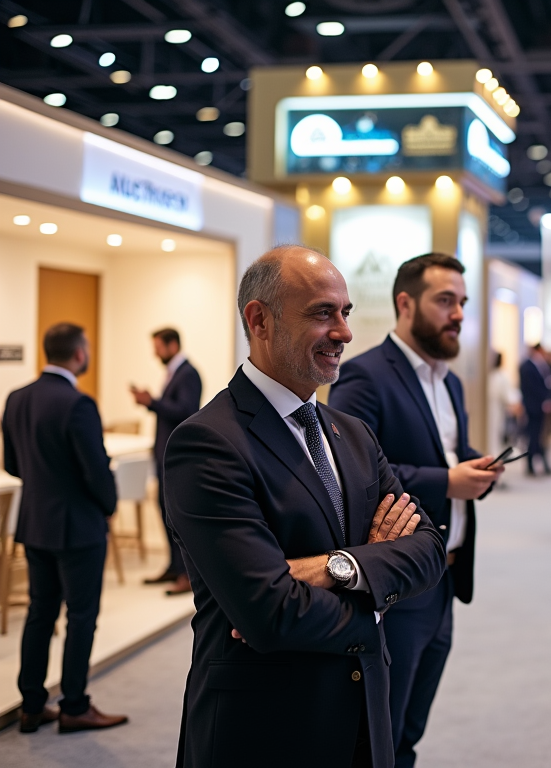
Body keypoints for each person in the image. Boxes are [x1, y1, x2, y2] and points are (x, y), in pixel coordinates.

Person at [164, 247, 446, 768]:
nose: (344, 332)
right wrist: (378, 593)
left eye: (345, 313)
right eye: (322, 313)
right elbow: (270, 615)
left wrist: (340, 567)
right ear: (259, 320)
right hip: (267, 732)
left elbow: (428, 548)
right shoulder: (207, 443)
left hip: (365, 719)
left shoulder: (353, 435)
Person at [329, 252, 501, 768]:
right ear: (405, 303)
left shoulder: (447, 380)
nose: (459, 314)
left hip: (445, 577)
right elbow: (355, 476)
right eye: (445, 301)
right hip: (399, 585)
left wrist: (475, 468)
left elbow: (447, 452)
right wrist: (448, 480)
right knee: (380, 733)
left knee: (410, 733)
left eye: (462, 302)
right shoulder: (365, 376)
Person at [2, 323, 128, 733]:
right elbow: (95, 471)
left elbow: (12, 464)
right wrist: (109, 505)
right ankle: (74, 705)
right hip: (78, 529)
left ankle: (32, 705)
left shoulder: (16, 398)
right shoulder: (78, 404)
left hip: (34, 523)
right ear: (78, 354)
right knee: (80, 615)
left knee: (40, 614)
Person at [130, 327, 202, 596]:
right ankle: (174, 566)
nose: (154, 353)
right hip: (163, 454)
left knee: (177, 516)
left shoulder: (188, 373)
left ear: (172, 346)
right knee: (164, 512)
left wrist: (152, 403)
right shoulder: (175, 372)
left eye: (158, 347)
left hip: (177, 456)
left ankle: (186, 573)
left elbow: (186, 411)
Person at [519, 344, 551, 475]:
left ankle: (543, 463)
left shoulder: (541, 365)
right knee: (533, 436)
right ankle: (530, 464)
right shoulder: (526, 366)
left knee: (541, 437)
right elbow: (530, 388)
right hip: (532, 407)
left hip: (541, 407)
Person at [487, 351, 521, 463]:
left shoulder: (491, 375)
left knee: (493, 436)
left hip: (494, 409)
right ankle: (494, 461)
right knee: (494, 437)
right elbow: (507, 395)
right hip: (495, 409)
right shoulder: (501, 375)